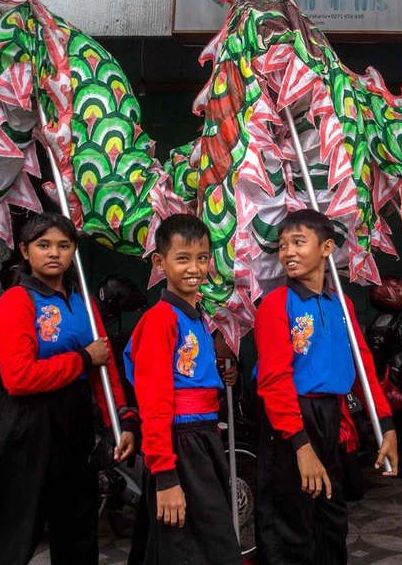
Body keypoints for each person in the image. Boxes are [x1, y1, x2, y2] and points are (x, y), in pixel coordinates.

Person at [0, 212, 137, 565]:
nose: (54, 253)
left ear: (74, 251)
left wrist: (119, 420)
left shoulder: (84, 304)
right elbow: (19, 378)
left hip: (74, 422)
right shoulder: (16, 302)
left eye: (64, 245)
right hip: (25, 423)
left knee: (78, 526)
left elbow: (103, 368)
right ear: (25, 250)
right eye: (43, 245)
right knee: (14, 531)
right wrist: (82, 359)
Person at [253, 209, 399, 564]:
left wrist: (387, 425)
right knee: (291, 524)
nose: (287, 251)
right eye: (283, 245)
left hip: (331, 417)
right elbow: (274, 380)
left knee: (331, 518)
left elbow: (364, 368)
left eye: (298, 242)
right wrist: (300, 445)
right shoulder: (275, 304)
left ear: (326, 247)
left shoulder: (342, 306)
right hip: (289, 421)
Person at [123, 214, 241, 565]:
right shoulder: (160, 320)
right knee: (203, 548)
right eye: (183, 258)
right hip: (179, 442)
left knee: (179, 545)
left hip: (201, 438)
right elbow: (155, 401)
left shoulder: (196, 315)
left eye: (202, 258)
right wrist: (166, 476)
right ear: (160, 262)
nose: (195, 268)